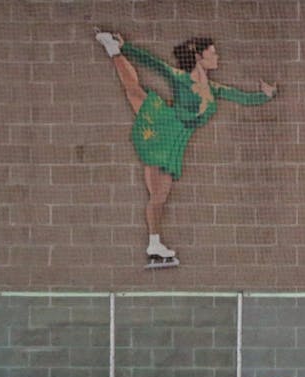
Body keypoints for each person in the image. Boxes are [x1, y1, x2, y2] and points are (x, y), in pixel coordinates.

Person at [94, 31, 276, 268]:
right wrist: (126, 46)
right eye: (213, 52)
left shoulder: (214, 89)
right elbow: (154, 63)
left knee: (160, 196)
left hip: (176, 140)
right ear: (199, 56)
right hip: (164, 128)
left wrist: (267, 96)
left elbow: (242, 97)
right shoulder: (181, 78)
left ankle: (155, 244)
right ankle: (114, 49)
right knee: (134, 92)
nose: (218, 56)